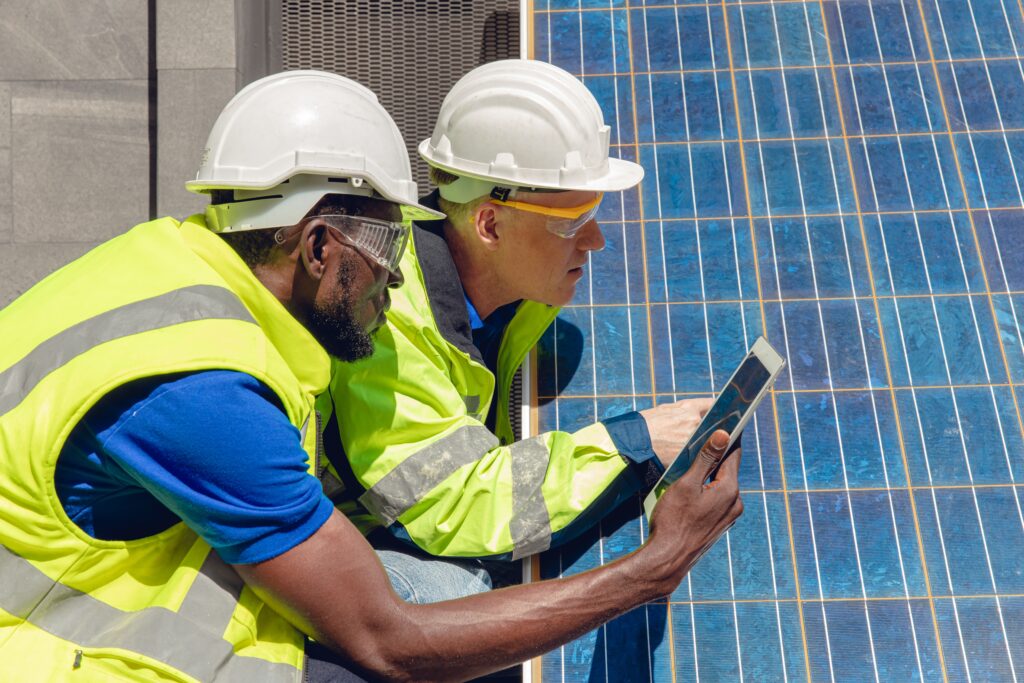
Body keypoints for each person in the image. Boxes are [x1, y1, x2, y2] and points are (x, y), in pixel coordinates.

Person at [0, 69, 741, 683]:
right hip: (52, 642)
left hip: (104, 560)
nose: (398, 272)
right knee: (444, 623)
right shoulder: (204, 396)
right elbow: (391, 641)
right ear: (320, 246)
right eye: (389, 242)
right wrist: (653, 567)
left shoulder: (178, 263)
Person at [326, 59, 715, 566]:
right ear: (489, 224)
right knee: (459, 591)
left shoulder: (515, 286)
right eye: (574, 222)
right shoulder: (385, 326)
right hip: (357, 548)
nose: (596, 241)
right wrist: (631, 443)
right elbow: (453, 506)